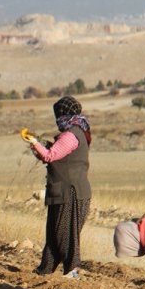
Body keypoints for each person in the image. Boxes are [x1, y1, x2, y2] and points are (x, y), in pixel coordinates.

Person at [27, 95, 92, 279]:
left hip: (70, 191)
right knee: (55, 232)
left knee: (63, 233)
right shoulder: (78, 131)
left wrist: (34, 143)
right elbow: (55, 154)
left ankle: (72, 270)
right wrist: (37, 145)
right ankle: (45, 269)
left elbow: (50, 155)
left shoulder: (71, 134)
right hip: (67, 190)